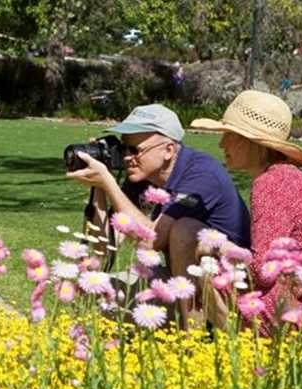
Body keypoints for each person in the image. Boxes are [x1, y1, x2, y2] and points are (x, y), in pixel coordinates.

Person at [190, 90, 302, 332]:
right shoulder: (293, 177)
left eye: (230, 135)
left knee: (209, 272)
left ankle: (244, 353)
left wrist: (219, 247)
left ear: (253, 141)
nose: (222, 143)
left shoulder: (270, 183)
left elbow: (262, 272)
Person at [66, 103, 251, 325]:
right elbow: (105, 247)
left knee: (184, 228)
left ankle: (193, 341)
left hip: (227, 292)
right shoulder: (143, 175)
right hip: (179, 281)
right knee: (91, 293)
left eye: (135, 150)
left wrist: (109, 184)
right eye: (123, 149)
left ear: (168, 150)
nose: (127, 158)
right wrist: (99, 189)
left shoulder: (202, 174)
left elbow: (151, 241)